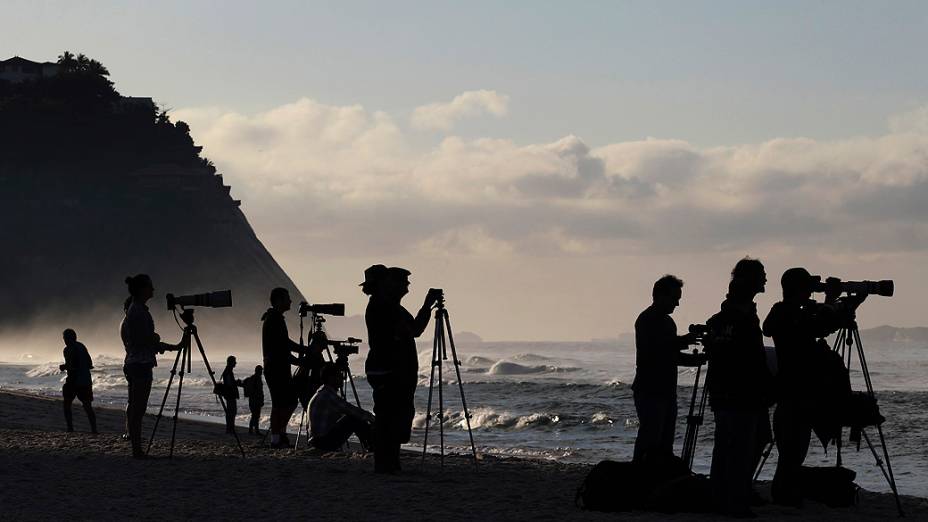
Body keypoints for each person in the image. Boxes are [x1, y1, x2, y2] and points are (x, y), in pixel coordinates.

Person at [763, 268, 862, 506]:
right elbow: (817, 328)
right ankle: (784, 494)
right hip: (794, 392)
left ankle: (785, 491)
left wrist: (833, 306)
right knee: (793, 450)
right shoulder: (786, 313)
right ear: (797, 288)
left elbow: (819, 326)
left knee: (793, 450)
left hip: (794, 391)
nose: (810, 291)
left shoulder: (790, 312)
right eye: (807, 287)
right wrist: (829, 303)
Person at [705, 258, 774, 517]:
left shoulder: (728, 318)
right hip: (742, 392)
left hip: (732, 391)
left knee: (738, 443)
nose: (765, 280)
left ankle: (729, 494)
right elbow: (747, 358)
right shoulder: (741, 318)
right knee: (738, 446)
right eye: (762, 276)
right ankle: (733, 499)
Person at [362, 264, 442, 473]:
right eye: (401, 282)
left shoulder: (386, 305)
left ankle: (390, 463)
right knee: (391, 416)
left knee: (392, 415)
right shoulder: (384, 307)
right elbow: (414, 330)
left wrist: (426, 306)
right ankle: (386, 464)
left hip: (386, 368)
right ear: (385, 285)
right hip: (389, 370)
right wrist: (427, 305)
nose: (406, 286)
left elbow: (412, 330)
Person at [631, 275, 704, 463]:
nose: (677, 304)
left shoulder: (667, 322)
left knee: (664, 443)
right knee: (650, 440)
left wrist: (696, 360)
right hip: (650, 390)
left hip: (666, 391)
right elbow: (657, 350)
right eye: (675, 298)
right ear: (661, 296)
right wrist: (683, 341)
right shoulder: (646, 319)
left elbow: (670, 356)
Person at [120, 274, 187, 458]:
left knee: (136, 407)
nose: (153, 290)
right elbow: (146, 341)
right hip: (140, 364)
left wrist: (163, 344)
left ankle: (136, 448)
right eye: (150, 287)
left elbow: (144, 340)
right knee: (138, 409)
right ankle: (137, 450)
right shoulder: (138, 312)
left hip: (135, 363)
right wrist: (169, 346)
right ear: (142, 289)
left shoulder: (135, 310)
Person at [261, 287, 305, 448]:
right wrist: (304, 353)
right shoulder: (274, 319)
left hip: (275, 367)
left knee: (281, 403)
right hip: (276, 368)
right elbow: (283, 346)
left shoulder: (274, 317)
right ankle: (278, 436)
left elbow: (283, 345)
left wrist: (300, 354)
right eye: (287, 298)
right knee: (287, 402)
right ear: (279, 300)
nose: (290, 301)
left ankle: (278, 437)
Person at [308, 362, 374, 451]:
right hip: (322, 442)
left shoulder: (322, 391)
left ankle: (372, 444)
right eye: (339, 376)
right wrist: (372, 418)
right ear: (331, 378)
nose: (342, 379)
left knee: (353, 417)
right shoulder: (328, 395)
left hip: (317, 440)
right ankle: (373, 445)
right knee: (353, 418)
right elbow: (351, 410)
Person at [59, 328, 98, 434]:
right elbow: (90, 364)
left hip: (74, 380)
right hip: (85, 380)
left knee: (67, 405)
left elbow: (74, 366)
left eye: (65, 338)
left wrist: (64, 366)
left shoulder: (68, 349)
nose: (65, 340)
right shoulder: (81, 346)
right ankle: (94, 430)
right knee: (87, 406)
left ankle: (70, 428)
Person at [220, 355, 243, 434]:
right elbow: (230, 384)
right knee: (231, 412)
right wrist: (237, 382)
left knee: (231, 412)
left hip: (229, 394)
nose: (235, 363)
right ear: (231, 362)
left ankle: (230, 427)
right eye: (234, 361)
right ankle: (230, 428)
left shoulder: (227, 370)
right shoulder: (228, 371)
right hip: (230, 394)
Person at [242, 365, 265, 435]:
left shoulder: (253, 378)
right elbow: (259, 391)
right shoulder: (257, 379)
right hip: (255, 400)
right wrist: (261, 400)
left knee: (255, 415)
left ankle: (252, 429)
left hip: (252, 400)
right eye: (261, 370)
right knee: (256, 415)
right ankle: (255, 430)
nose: (262, 372)